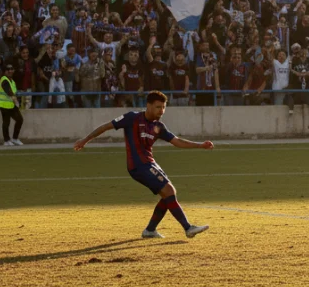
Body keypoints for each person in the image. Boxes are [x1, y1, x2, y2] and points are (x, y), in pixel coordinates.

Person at [73, 90, 213, 239]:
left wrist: (200, 145)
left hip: (150, 163)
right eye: (158, 107)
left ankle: (150, 230)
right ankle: (188, 228)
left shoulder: (158, 126)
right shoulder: (131, 118)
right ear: (148, 105)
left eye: (163, 107)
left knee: (168, 195)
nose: (161, 111)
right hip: (138, 165)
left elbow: (177, 141)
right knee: (169, 191)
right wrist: (85, 140)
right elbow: (105, 127)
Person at [0, 62, 24, 146]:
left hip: (11, 104)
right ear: (4, 71)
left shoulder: (12, 81)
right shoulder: (4, 79)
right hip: (4, 104)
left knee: (19, 119)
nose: (10, 71)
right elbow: (8, 91)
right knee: (6, 122)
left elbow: (14, 92)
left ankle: (15, 138)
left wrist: (16, 99)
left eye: (11, 69)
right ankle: (6, 140)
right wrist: (15, 100)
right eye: (8, 69)